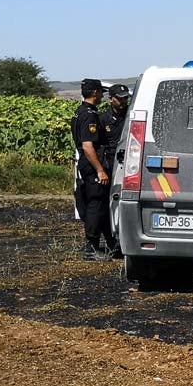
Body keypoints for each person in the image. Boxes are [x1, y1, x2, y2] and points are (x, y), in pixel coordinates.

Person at [71, 78, 118, 260]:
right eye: (101, 92)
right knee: (95, 204)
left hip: (87, 162)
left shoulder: (80, 112)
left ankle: (110, 244)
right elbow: (88, 146)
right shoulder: (89, 115)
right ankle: (91, 248)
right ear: (95, 93)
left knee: (99, 204)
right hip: (91, 164)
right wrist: (100, 170)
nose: (102, 95)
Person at [99, 83, 131, 173]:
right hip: (110, 161)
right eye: (119, 98)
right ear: (111, 99)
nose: (123, 101)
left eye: (125, 98)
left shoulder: (132, 116)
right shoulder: (103, 119)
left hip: (130, 160)